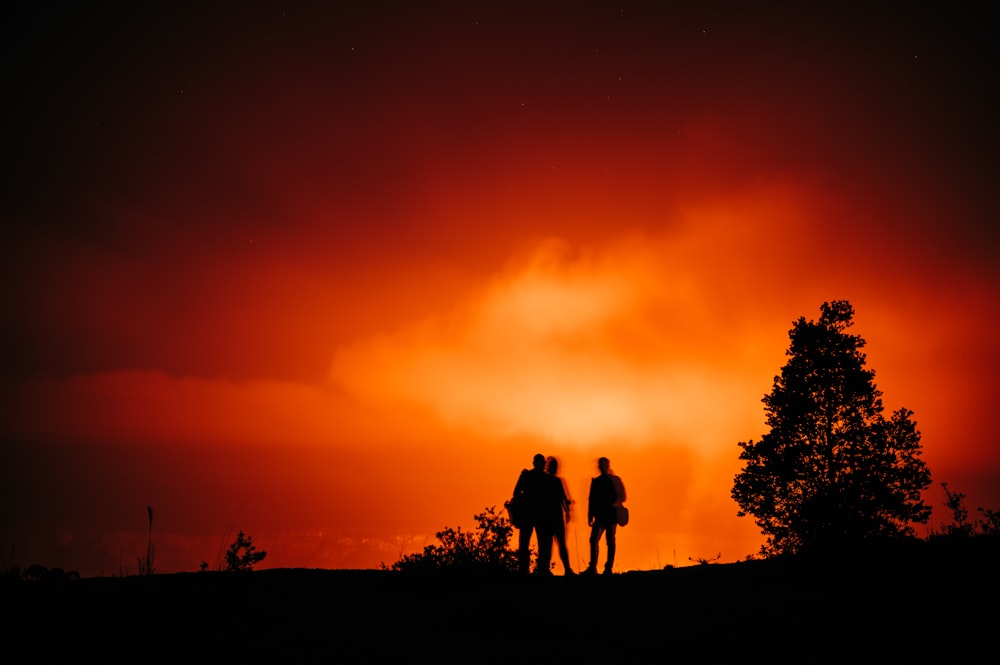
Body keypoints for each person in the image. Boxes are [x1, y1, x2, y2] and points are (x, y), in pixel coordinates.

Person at [510, 453, 553, 574]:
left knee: (526, 543)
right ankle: (540, 569)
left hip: (530, 514)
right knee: (540, 543)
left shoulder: (527, 476)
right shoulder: (545, 478)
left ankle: (526, 569)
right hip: (537, 514)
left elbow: (516, 493)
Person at [584, 456, 626, 576]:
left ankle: (607, 568)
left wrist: (611, 504)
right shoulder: (598, 481)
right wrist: (590, 514)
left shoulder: (613, 480)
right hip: (603, 516)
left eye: (602, 465)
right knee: (596, 540)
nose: (601, 467)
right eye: (600, 465)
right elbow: (591, 499)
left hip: (609, 515)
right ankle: (594, 567)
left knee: (608, 541)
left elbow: (622, 496)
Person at [544, 456, 575, 576]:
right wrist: (568, 511)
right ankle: (565, 569)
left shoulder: (552, 481)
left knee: (553, 544)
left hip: (552, 516)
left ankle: (564, 569)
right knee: (556, 544)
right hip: (553, 516)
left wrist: (567, 511)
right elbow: (564, 498)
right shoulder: (555, 481)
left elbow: (563, 498)